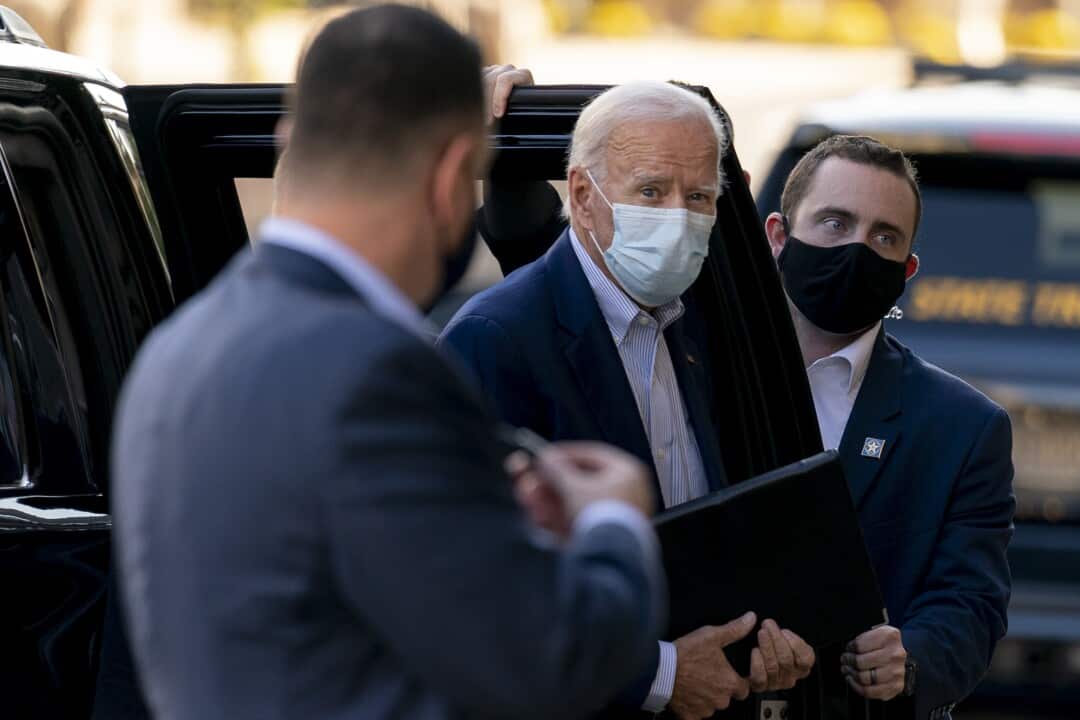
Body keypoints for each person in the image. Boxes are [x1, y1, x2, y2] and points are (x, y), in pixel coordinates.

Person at [110, 6, 665, 720]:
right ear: (450, 177)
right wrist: (612, 522)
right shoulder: (378, 371)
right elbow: (555, 660)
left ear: (289, 142)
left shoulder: (176, 346)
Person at [440, 79, 814, 720]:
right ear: (583, 196)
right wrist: (659, 674)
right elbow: (467, 591)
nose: (677, 216)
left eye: (698, 196)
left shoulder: (697, 324)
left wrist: (760, 633)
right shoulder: (494, 339)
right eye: (650, 191)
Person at [762, 135, 1015, 720]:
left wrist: (911, 658)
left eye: (883, 236)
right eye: (834, 222)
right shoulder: (692, 373)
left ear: (907, 269)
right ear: (779, 235)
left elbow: (971, 603)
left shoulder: (963, 428)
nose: (857, 248)